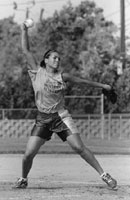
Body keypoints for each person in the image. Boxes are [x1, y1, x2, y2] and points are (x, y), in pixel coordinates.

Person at [15, 21, 117, 190]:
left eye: (59, 58)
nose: (57, 60)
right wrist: (24, 30)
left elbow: (83, 82)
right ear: (46, 60)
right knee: (28, 154)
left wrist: (104, 86)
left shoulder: (63, 76)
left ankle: (104, 175)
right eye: (54, 57)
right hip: (42, 119)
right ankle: (23, 178)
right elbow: (26, 50)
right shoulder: (37, 72)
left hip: (61, 117)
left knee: (79, 147)